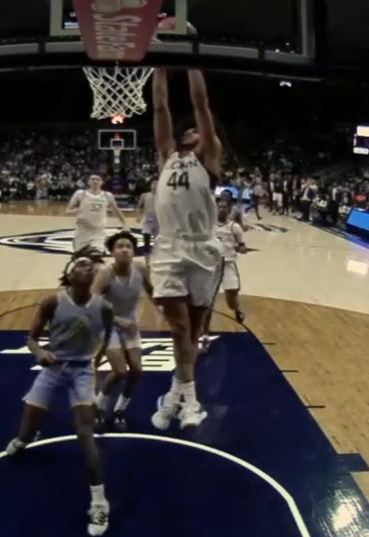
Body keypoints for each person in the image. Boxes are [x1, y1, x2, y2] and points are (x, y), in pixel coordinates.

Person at [6, 256, 115, 536]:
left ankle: (100, 503)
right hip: (54, 367)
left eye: (91, 265)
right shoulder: (52, 302)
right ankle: (24, 439)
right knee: (27, 431)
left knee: (84, 433)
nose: (87, 267)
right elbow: (31, 339)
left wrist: (95, 363)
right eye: (80, 264)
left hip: (81, 370)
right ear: (69, 272)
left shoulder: (103, 307)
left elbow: (108, 335)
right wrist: (40, 352)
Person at [148, 64, 223, 431]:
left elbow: (201, 102)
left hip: (203, 249)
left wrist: (193, 59)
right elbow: (160, 107)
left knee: (191, 333)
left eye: (197, 128)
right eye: (189, 128)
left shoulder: (208, 156)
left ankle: (174, 394)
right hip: (169, 247)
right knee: (179, 331)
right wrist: (159, 66)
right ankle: (191, 399)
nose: (193, 129)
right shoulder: (166, 155)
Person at [92, 231, 152, 429]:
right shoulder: (105, 273)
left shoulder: (141, 268)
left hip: (130, 323)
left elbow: (153, 292)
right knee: (119, 371)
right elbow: (93, 302)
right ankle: (98, 405)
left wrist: (167, 308)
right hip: (108, 324)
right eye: (120, 246)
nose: (125, 249)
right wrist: (117, 320)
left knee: (136, 370)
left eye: (129, 246)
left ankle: (120, 408)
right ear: (112, 252)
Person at [200, 199, 247, 352]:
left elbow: (242, 246)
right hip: (211, 265)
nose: (221, 209)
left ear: (228, 210)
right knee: (208, 303)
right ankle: (204, 336)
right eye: (219, 206)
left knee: (230, 299)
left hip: (228, 264)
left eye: (223, 207)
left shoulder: (235, 227)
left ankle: (237, 308)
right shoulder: (208, 225)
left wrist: (241, 249)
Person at [66, 175, 127, 257]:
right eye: (93, 179)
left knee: (97, 256)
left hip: (98, 232)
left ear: (101, 182)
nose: (95, 181)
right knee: (80, 260)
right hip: (82, 232)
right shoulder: (80, 194)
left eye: (98, 179)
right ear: (88, 182)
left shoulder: (107, 195)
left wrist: (124, 224)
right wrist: (75, 211)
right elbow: (68, 210)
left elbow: (117, 210)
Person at [136, 179, 159, 252]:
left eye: (157, 184)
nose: (155, 185)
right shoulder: (144, 195)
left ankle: (156, 254)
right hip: (147, 218)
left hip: (158, 218)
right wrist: (138, 216)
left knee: (157, 239)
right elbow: (138, 206)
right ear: (151, 185)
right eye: (153, 184)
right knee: (146, 236)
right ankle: (147, 254)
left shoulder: (162, 196)